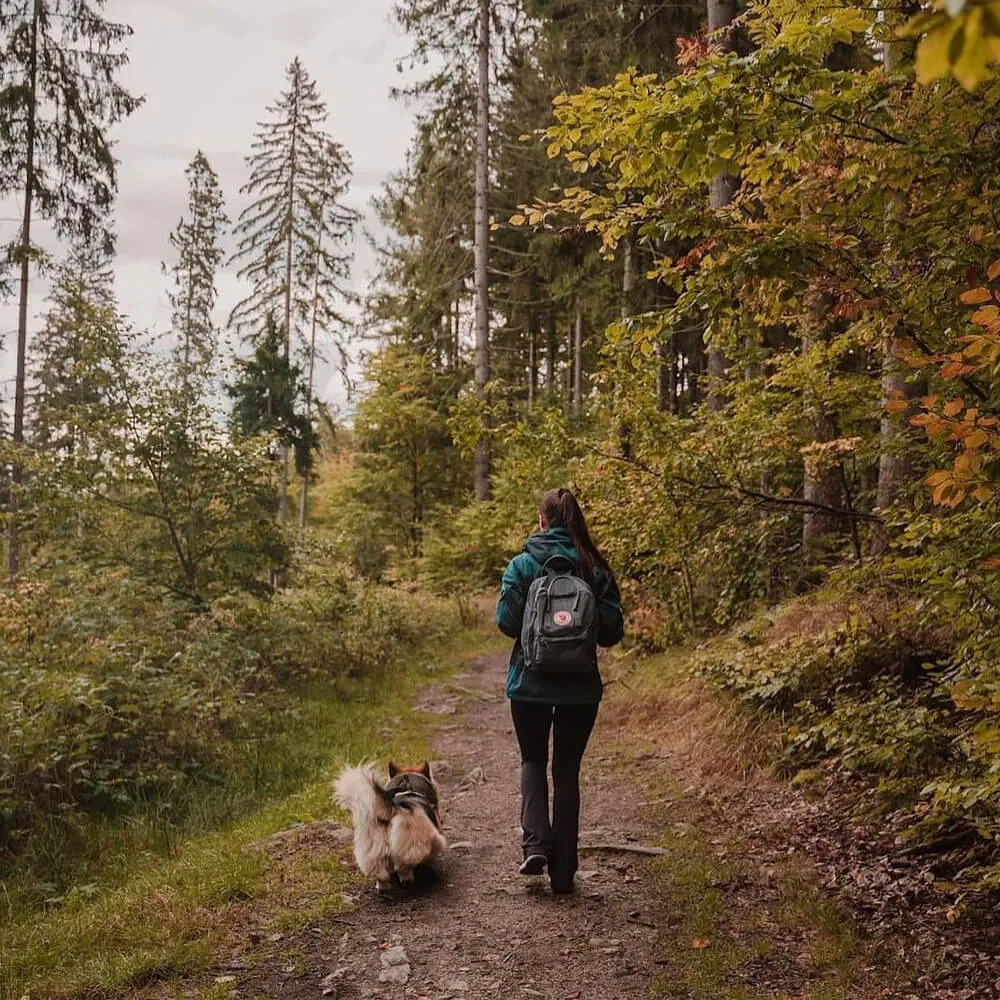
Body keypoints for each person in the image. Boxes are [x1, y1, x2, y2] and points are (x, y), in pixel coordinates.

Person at [495, 487, 624, 895]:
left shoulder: (522, 565)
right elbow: (612, 633)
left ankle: (535, 845)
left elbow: (506, 622)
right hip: (580, 689)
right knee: (566, 772)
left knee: (533, 760)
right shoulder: (594, 569)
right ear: (575, 523)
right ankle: (564, 871)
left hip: (528, 684)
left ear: (542, 522)